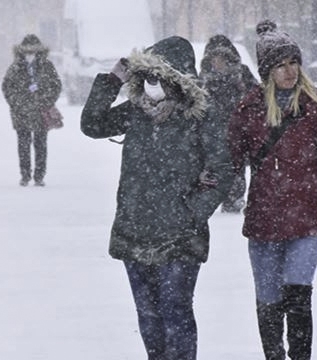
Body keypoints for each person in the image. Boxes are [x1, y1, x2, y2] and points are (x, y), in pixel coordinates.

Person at [81, 36, 234, 359]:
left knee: (175, 311)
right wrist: (112, 80)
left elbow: (221, 170)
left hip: (179, 237)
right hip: (134, 231)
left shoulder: (200, 116)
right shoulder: (136, 112)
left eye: (159, 75)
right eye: (147, 76)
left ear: (177, 78)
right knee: (149, 318)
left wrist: (190, 212)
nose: (152, 83)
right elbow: (92, 124)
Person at [227, 20, 317, 360]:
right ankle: (274, 355)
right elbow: (228, 161)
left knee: (298, 294)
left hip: (308, 217)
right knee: (269, 300)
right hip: (264, 219)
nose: (289, 71)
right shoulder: (249, 111)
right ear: (267, 71)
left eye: (293, 63)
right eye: (280, 65)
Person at [199, 34, 258, 213]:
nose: (216, 62)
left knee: (235, 171)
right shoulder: (204, 78)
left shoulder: (241, 74)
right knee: (212, 171)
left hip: (236, 134)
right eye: (213, 58)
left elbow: (257, 97)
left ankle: (233, 203)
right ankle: (211, 203)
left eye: (220, 58)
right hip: (212, 135)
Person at [2, 34, 61, 187]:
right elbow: (7, 88)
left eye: (33, 52)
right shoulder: (15, 67)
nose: (30, 55)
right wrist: (18, 104)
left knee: (41, 144)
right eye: (27, 52)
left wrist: (46, 101)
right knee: (23, 144)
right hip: (20, 113)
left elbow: (56, 86)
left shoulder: (47, 66)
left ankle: (39, 176)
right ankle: (25, 175)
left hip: (41, 112)